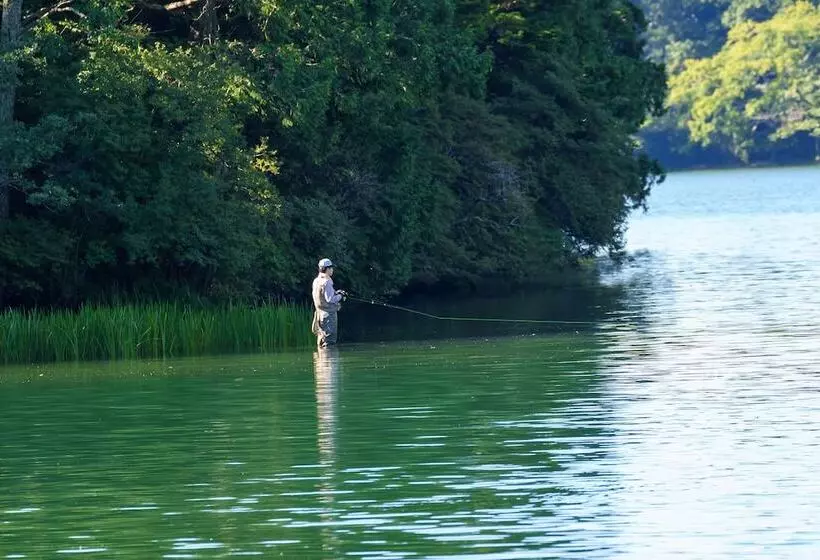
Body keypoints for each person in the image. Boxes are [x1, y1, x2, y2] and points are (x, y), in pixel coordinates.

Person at [311, 258, 347, 347]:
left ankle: (321, 360)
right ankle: (328, 360)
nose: (332, 270)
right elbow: (330, 299)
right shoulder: (327, 281)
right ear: (327, 269)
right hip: (328, 316)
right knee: (329, 342)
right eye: (331, 268)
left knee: (321, 340)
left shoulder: (316, 281)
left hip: (319, 315)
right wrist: (341, 296)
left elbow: (322, 296)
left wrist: (336, 293)